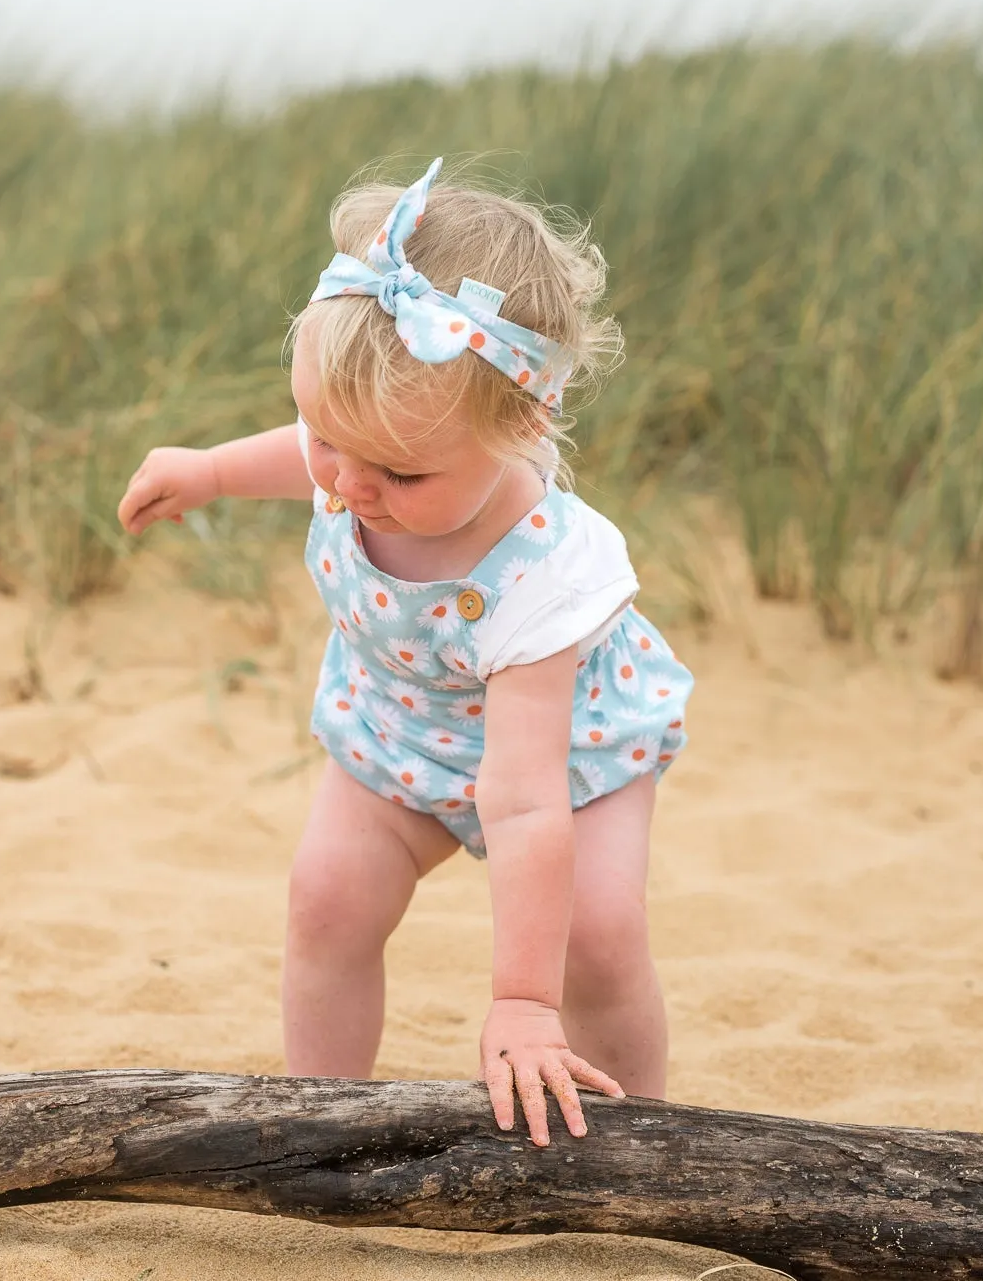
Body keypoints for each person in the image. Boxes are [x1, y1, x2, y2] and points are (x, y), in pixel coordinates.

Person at [116, 159, 692, 1147]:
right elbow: (309, 450)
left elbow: (520, 800)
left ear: (522, 424)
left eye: (396, 471)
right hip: (398, 735)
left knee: (596, 935)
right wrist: (208, 471)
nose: (345, 487)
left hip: (567, 763)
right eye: (326, 442)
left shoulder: (541, 576)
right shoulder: (362, 443)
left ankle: (638, 1142)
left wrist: (520, 996)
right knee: (327, 896)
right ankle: (319, 1120)